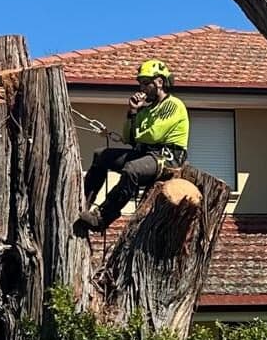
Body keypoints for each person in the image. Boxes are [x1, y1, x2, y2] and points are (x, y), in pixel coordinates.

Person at [76, 59, 190, 232]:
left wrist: (138, 132)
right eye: (140, 84)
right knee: (101, 155)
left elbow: (153, 135)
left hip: (167, 158)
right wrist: (133, 112)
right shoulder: (145, 110)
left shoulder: (173, 105)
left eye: (146, 83)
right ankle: (83, 202)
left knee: (132, 170)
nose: (142, 88)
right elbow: (129, 137)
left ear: (159, 82)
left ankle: (104, 216)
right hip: (146, 153)